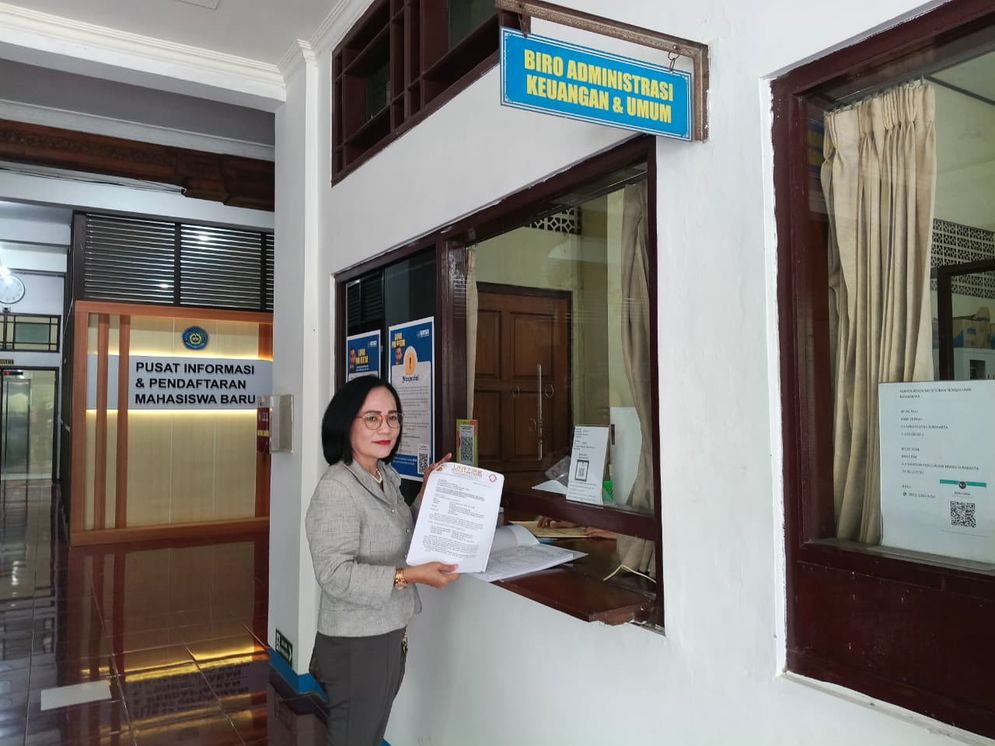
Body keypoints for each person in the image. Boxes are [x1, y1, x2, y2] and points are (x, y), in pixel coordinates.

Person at [305, 375, 457, 746]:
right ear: (346, 423)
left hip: (387, 632)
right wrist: (410, 576)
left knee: (368, 735)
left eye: (392, 417)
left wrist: (427, 493)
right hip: (357, 642)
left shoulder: (382, 475)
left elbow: (396, 533)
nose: (386, 428)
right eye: (372, 418)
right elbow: (334, 574)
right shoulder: (337, 487)